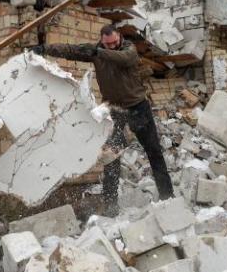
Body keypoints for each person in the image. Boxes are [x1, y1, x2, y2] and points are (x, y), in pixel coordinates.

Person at [31, 24, 174, 214]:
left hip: (138, 108)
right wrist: (45, 49)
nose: (112, 46)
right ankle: (110, 206)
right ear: (102, 41)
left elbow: (124, 59)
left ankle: (168, 197)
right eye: (108, 44)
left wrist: (99, 51)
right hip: (114, 112)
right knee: (111, 158)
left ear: (120, 37)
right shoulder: (98, 50)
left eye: (114, 42)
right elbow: (71, 50)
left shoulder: (128, 49)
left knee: (153, 152)